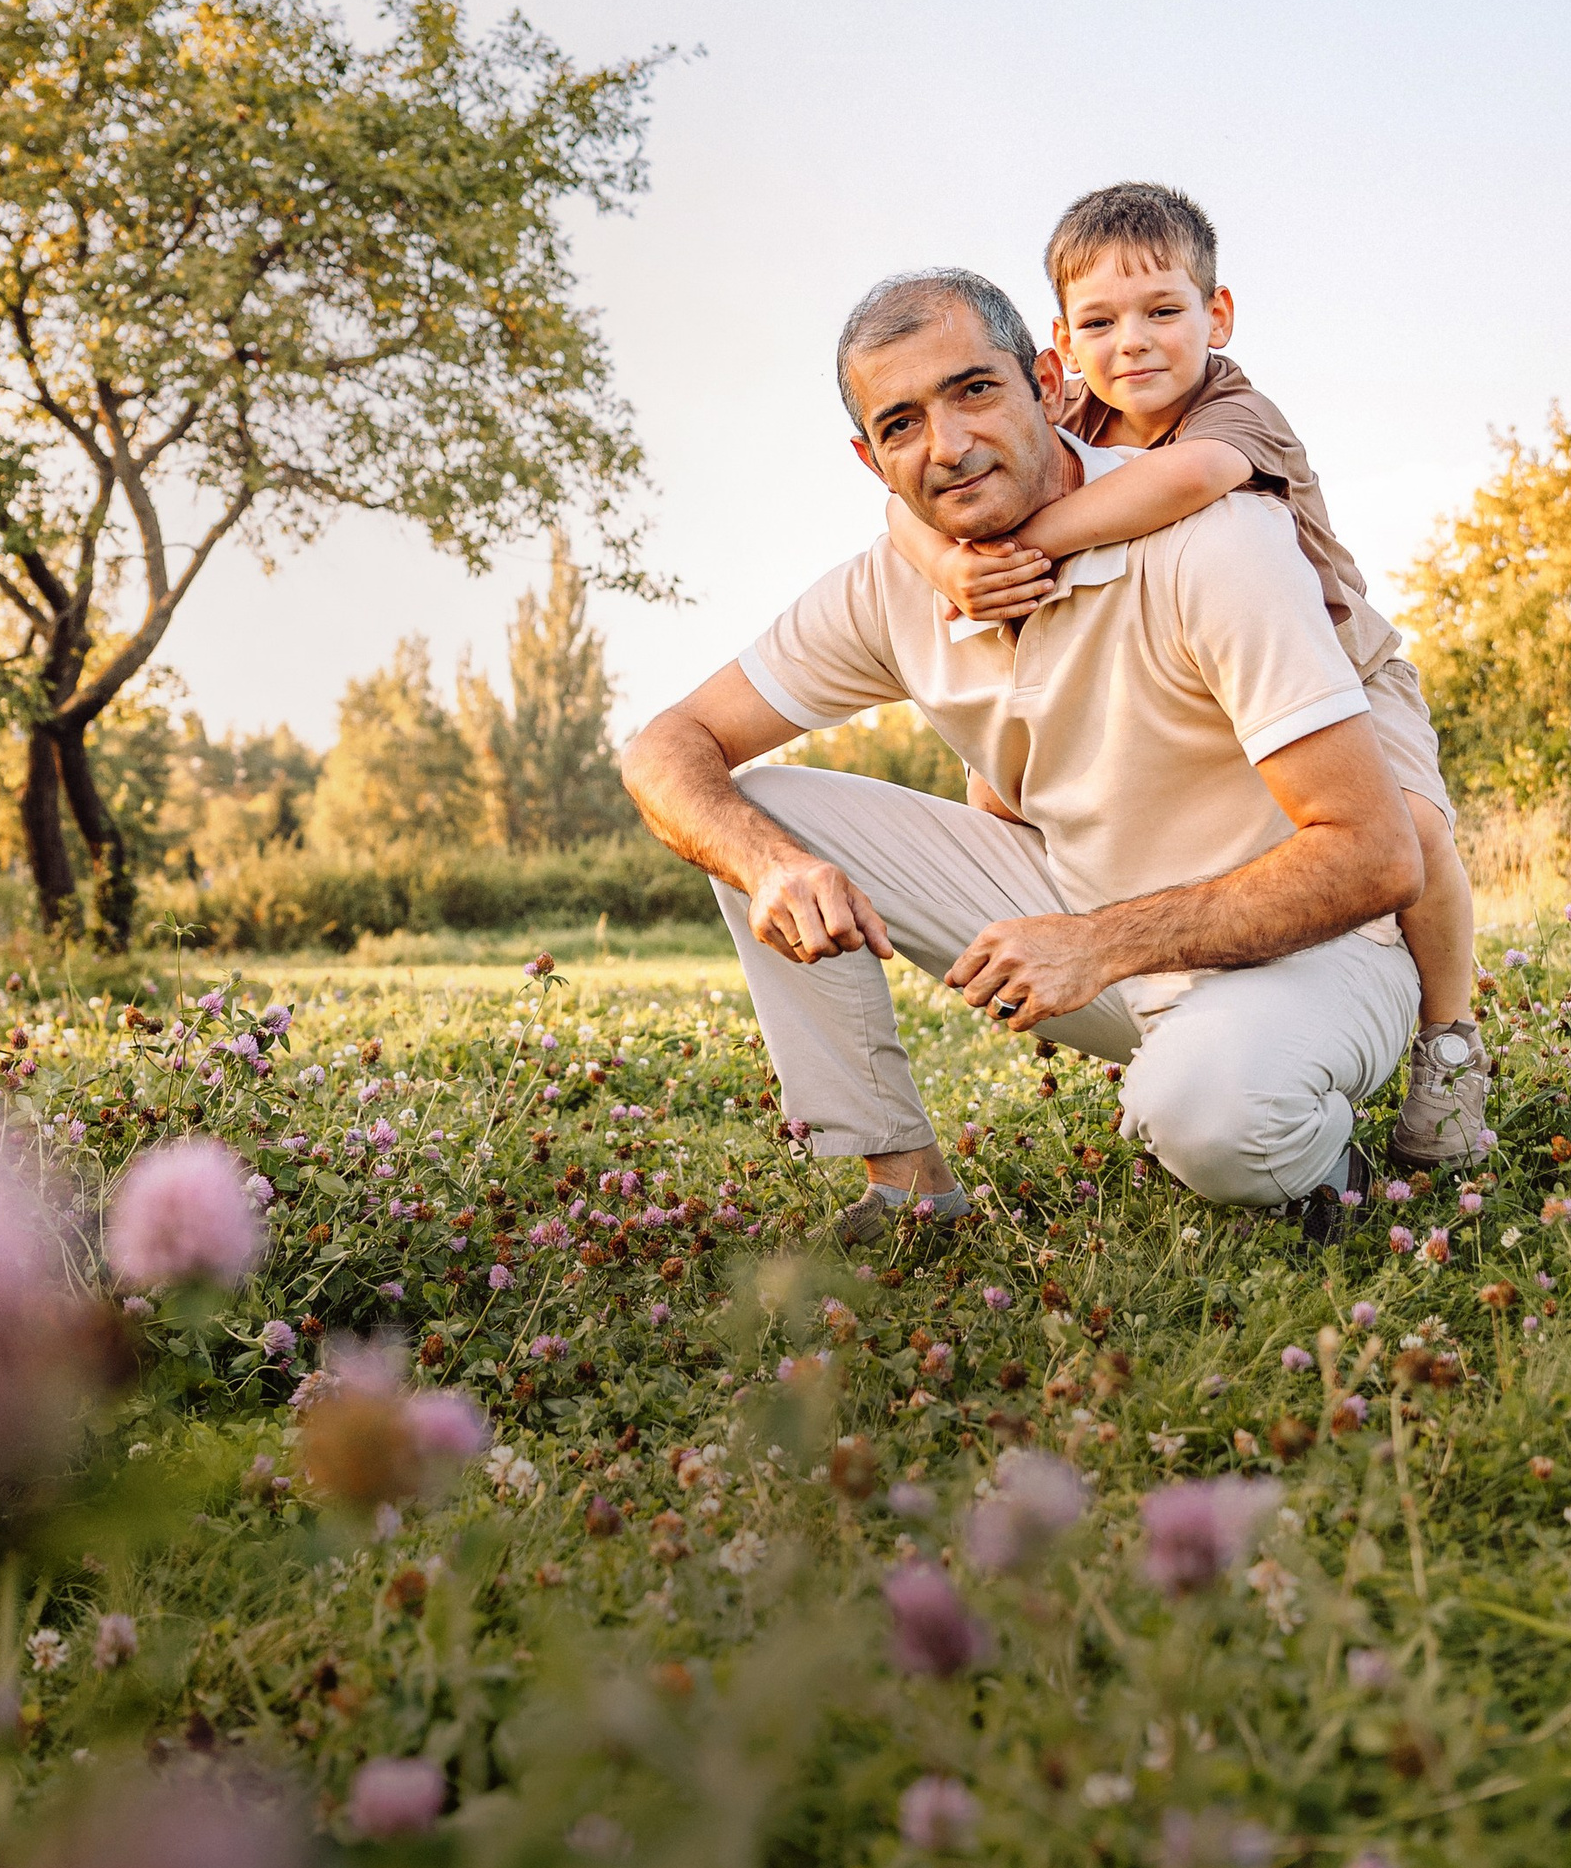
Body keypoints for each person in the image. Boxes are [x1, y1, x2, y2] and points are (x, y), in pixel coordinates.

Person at [618, 266, 1425, 1245]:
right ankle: (909, 1190)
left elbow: (1375, 855)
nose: (946, 446)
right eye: (901, 422)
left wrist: (1100, 942)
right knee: (757, 811)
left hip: (1312, 955)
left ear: (1046, 381)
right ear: (871, 460)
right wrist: (768, 864)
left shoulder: (1213, 544)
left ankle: (1326, 1167)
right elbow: (666, 743)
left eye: (973, 390)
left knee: (1209, 1117)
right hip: (1087, 931)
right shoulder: (893, 584)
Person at [880, 180, 1488, 1169]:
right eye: (1100, 322)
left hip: (1345, 671)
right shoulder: (1055, 411)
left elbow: (1187, 481)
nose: (1135, 342)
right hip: (1192, 690)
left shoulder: (1233, 408)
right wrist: (951, 558)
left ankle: (1449, 1043)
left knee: (1409, 829)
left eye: (1163, 311)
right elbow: (910, 504)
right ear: (1060, 345)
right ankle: (1179, 1019)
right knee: (1002, 792)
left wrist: (1020, 539)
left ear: (1216, 313)